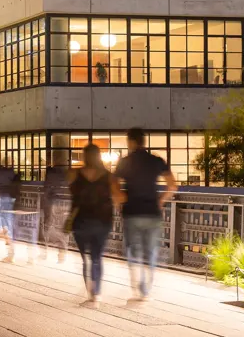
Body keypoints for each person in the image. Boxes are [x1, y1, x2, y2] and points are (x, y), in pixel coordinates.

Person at [113, 127, 178, 302]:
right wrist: (161, 200)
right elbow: (172, 185)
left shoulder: (124, 162)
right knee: (150, 251)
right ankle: (146, 288)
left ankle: (138, 284)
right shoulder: (156, 161)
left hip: (132, 212)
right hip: (152, 213)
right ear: (144, 141)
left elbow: (113, 185)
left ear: (131, 142)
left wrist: (121, 199)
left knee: (134, 250)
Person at [70, 144, 122, 305]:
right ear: (99, 156)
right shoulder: (109, 176)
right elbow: (119, 197)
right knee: (96, 257)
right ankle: (96, 294)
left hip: (81, 221)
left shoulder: (74, 174)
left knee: (85, 259)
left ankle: (90, 292)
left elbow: (70, 193)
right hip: (102, 220)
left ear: (84, 156)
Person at [37, 163, 71, 262]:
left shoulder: (50, 175)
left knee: (47, 227)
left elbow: (47, 192)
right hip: (65, 204)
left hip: (52, 204)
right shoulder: (65, 176)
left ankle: (44, 253)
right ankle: (62, 254)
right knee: (62, 229)